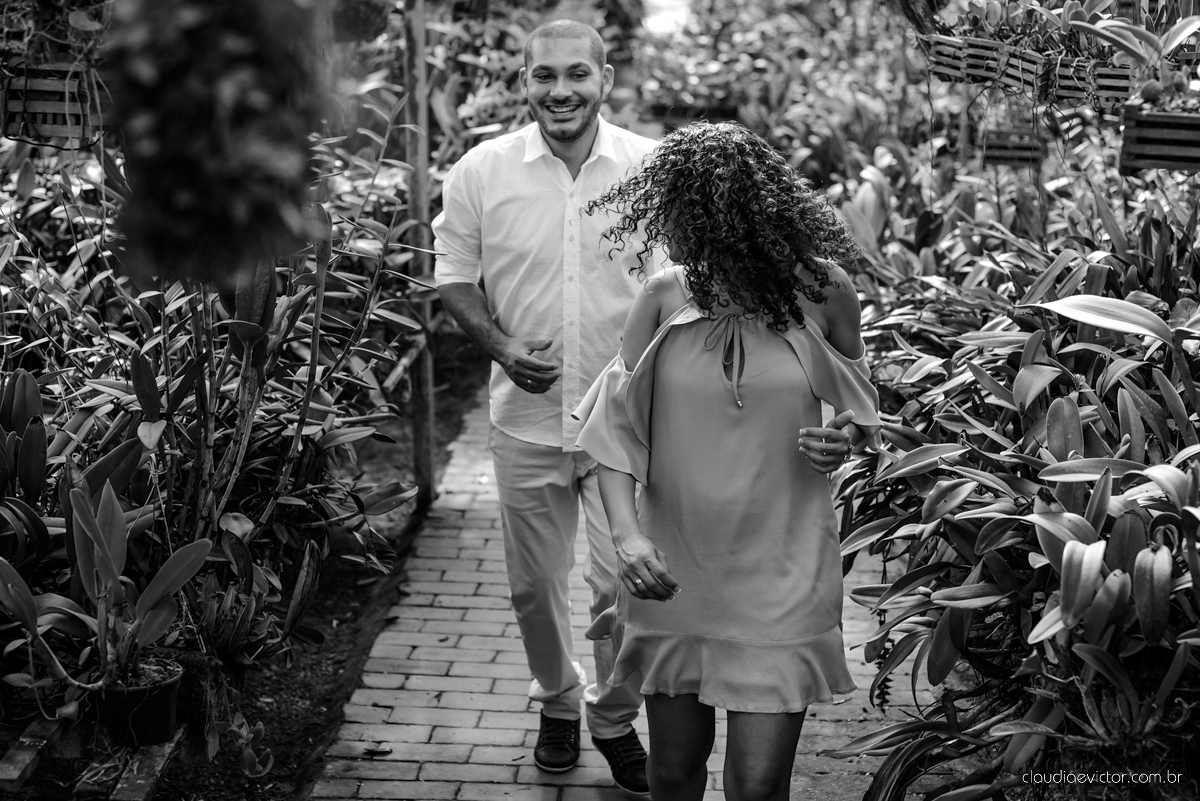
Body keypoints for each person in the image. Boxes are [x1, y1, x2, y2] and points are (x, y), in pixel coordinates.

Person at [573, 122, 882, 801]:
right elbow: (613, 435)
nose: (682, 238)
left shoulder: (824, 292)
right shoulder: (663, 297)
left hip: (782, 566)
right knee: (675, 774)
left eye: (695, 220)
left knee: (757, 783)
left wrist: (844, 442)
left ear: (749, 218)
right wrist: (626, 536)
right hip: (675, 570)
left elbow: (862, 411)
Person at [431, 18, 665, 795]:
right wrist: (498, 345)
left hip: (625, 427)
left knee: (624, 586)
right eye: (543, 77)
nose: (560, 91)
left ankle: (612, 715)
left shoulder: (650, 169)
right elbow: (454, 276)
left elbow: (683, 290)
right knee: (534, 585)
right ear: (523, 81)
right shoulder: (481, 170)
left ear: (606, 77)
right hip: (523, 420)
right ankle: (558, 702)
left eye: (576, 74)